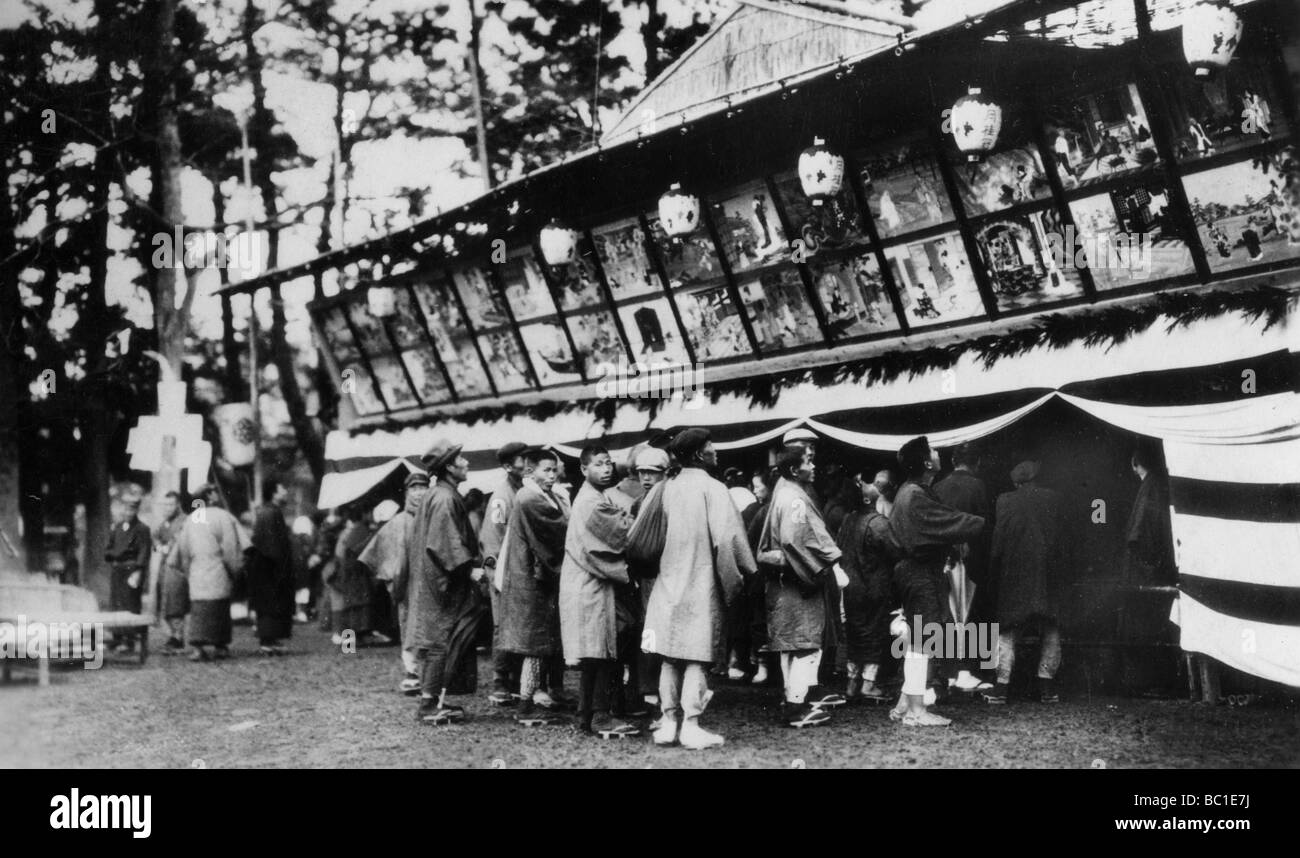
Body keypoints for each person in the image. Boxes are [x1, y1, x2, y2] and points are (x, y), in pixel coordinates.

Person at [643, 429, 755, 749]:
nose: (715, 453)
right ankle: (691, 724)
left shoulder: (663, 488)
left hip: (666, 582)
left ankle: (668, 722)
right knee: (696, 656)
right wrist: (737, 582)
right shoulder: (714, 488)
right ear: (697, 454)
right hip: (701, 582)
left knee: (668, 655)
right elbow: (729, 541)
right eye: (711, 448)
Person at [889, 436, 985, 727]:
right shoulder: (916, 495)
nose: (937, 452)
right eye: (932, 450)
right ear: (927, 463)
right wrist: (983, 523)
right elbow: (948, 521)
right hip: (920, 572)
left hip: (915, 571)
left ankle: (904, 703)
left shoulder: (910, 492)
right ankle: (917, 712)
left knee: (920, 638)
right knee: (922, 641)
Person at [759, 445, 850, 728]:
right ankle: (796, 709)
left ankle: (794, 700)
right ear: (794, 470)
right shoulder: (794, 498)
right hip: (799, 582)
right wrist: (820, 570)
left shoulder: (784, 492)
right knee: (805, 646)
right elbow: (795, 540)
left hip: (786, 584)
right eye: (809, 461)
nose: (813, 465)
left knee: (795, 645)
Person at [559, 446, 641, 738]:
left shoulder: (594, 497)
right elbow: (623, 533)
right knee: (602, 651)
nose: (606, 469)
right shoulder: (593, 503)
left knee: (595, 653)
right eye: (598, 464)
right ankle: (601, 716)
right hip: (591, 585)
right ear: (584, 469)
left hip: (584, 582)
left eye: (608, 463)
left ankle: (586, 714)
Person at [410, 442, 489, 725]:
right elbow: (444, 543)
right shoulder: (444, 498)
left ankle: (434, 699)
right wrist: (469, 570)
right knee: (439, 642)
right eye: (460, 459)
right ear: (449, 467)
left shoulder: (439, 494)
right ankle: (429, 704)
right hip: (442, 582)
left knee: (439, 640)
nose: (466, 462)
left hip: (435, 578)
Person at [981, 460, 1069, 704]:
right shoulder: (1055, 498)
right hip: (1047, 575)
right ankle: (1047, 687)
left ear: (1015, 482)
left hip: (1015, 575)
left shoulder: (1005, 500)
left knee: (1007, 631)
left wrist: (993, 575)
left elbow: (998, 543)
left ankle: (1001, 687)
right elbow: (1064, 541)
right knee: (1051, 629)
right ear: (1037, 477)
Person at [500, 448, 571, 726]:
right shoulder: (530, 497)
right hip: (531, 580)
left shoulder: (540, 493)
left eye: (554, 470)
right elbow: (562, 526)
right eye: (546, 470)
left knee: (539, 644)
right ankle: (526, 705)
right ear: (530, 472)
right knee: (535, 645)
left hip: (534, 578)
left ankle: (531, 699)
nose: (552, 475)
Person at [358, 472, 429, 694]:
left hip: (431, 585)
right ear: (407, 493)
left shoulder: (433, 517)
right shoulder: (398, 522)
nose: (419, 493)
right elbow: (381, 552)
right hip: (407, 585)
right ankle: (412, 672)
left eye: (423, 487)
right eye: (414, 488)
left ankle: (432, 673)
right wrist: (396, 581)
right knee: (409, 625)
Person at [933, 443, 994, 692]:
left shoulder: (938, 487)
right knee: (968, 613)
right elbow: (984, 526)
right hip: (969, 559)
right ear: (976, 463)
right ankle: (965, 671)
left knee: (947, 614)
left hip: (943, 559)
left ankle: (947, 672)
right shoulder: (978, 486)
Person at [837, 477, 901, 703]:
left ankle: (852, 682)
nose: (869, 483)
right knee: (874, 633)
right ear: (866, 498)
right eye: (865, 484)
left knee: (855, 634)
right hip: (874, 587)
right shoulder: (878, 523)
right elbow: (896, 552)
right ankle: (869, 684)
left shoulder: (848, 520)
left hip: (851, 587)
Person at [1120, 442, 1177, 695]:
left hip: (1147, 571)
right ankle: (1152, 681)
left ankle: (1149, 683)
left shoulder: (1150, 487)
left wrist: (1142, 566)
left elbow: (1140, 534)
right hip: (1154, 568)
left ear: (1135, 463)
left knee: (1146, 625)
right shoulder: (1156, 486)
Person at [168, 484, 244, 662]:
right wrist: (234, 570)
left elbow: (183, 549)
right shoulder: (223, 516)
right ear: (210, 496)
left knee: (200, 608)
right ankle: (220, 645)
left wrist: (188, 570)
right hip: (218, 567)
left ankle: (198, 647)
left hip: (197, 569)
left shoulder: (192, 519)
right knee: (219, 607)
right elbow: (230, 548)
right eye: (215, 493)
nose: (218, 496)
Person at [480, 441, 529, 706]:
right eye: (522, 460)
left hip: (520, 569)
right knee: (502, 624)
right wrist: (498, 571)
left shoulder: (524, 489)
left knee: (519, 624)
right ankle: (500, 680)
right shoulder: (502, 495)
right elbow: (493, 538)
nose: (527, 464)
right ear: (509, 466)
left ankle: (515, 679)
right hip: (502, 569)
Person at [629, 446, 670, 719]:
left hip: (667, 573)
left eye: (652, 473)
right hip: (645, 576)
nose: (646, 477)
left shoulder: (671, 499)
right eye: (642, 472)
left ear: (665, 473)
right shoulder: (637, 503)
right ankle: (648, 688)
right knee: (648, 632)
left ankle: (664, 689)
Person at [247, 478, 296, 657]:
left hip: (269, 567)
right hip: (270, 568)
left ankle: (272, 638)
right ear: (274, 493)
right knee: (271, 604)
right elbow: (271, 546)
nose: (285, 492)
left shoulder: (270, 512)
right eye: (282, 488)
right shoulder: (269, 513)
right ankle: (267, 639)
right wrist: (280, 565)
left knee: (272, 604)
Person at [105, 492, 151, 654]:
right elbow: (109, 548)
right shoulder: (117, 527)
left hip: (131, 570)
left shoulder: (142, 529)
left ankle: (129, 640)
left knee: (129, 604)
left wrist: (138, 572)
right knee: (116, 603)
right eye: (125, 509)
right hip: (118, 570)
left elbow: (144, 552)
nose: (127, 513)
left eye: (131, 509)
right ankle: (117, 637)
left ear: (136, 510)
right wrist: (113, 555)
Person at [328, 502, 375, 646]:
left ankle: (351, 642)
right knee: (354, 609)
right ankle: (351, 642)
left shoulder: (353, 531)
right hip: (355, 574)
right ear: (364, 514)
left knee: (351, 609)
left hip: (349, 573)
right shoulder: (362, 530)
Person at [152, 491, 188, 654]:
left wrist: (171, 547)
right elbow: (155, 537)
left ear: (178, 504)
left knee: (176, 601)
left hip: (178, 567)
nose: (167, 508)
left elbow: (183, 541)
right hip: (165, 566)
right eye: (165, 505)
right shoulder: (164, 523)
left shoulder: (184, 521)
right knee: (165, 600)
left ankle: (178, 637)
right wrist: (159, 545)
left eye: (171, 504)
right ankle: (173, 635)